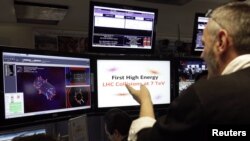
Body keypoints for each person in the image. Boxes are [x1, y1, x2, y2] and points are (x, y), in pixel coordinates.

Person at [125, 2, 250, 141]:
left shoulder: (206, 95)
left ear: (221, 41)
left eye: (204, 45)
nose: (202, 55)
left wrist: (145, 101)